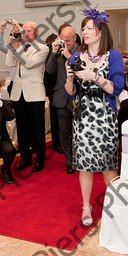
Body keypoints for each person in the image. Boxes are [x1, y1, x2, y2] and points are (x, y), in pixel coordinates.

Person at [65, 9, 124, 226]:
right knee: (85, 165)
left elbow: (116, 89)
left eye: (89, 28)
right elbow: (70, 92)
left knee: (108, 166)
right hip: (83, 116)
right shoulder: (75, 56)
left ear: (101, 31)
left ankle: (118, 206)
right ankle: (86, 208)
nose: (85, 32)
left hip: (105, 116)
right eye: (83, 28)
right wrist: (70, 78)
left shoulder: (113, 56)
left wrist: (94, 76)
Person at [6, 21, 49, 173]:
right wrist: (12, 45)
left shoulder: (43, 48)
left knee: (37, 129)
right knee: (22, 128)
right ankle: (25, 158)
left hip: (34, 93)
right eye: (24, 31)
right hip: (18, 92)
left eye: (29, 31)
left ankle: (40, 160)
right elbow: (9, 62)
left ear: (36, 32)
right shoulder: (19, 46)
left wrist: (17, 48)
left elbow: (29, 63)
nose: (26, 34)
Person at [46, 23, 79, 174]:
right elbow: (49, 70)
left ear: (75, 38)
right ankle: (70, 161)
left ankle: (82, 159)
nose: (66, 44)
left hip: (78, 98)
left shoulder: (82, 52)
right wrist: (54, 52)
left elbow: (83, 71)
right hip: (61, 97)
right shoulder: (58, 52)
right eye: (63, 40)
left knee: (79, 132)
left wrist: (70, 57)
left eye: (68, 41)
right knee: (64, 132)